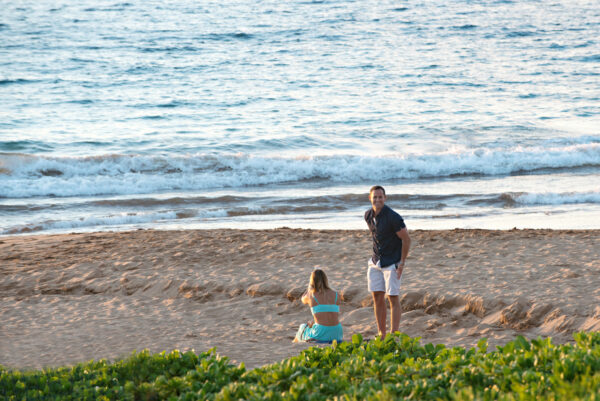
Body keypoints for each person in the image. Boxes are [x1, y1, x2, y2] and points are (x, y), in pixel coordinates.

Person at [364, 185, 411, 339]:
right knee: (377, 296)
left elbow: (406, 239)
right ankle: (381, 333)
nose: (377, 199)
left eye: (380, 197)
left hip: (392, 262)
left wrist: (401, 263)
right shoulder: (368, 215)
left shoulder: (393, 217)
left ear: (385, 198)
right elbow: (376, 237)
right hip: (375, 261)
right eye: (375, 197)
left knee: (392, 297)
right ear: (370, 198)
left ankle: (394, 333)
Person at [294, 269, 343, 343]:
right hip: (337, 332)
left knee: (302, 327)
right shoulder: (336, 294)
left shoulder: (311, 295)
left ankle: (294, 344)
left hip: (320, 332)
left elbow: (303, 300)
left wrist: (309, 288)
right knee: (314, 324)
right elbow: (328, 311)